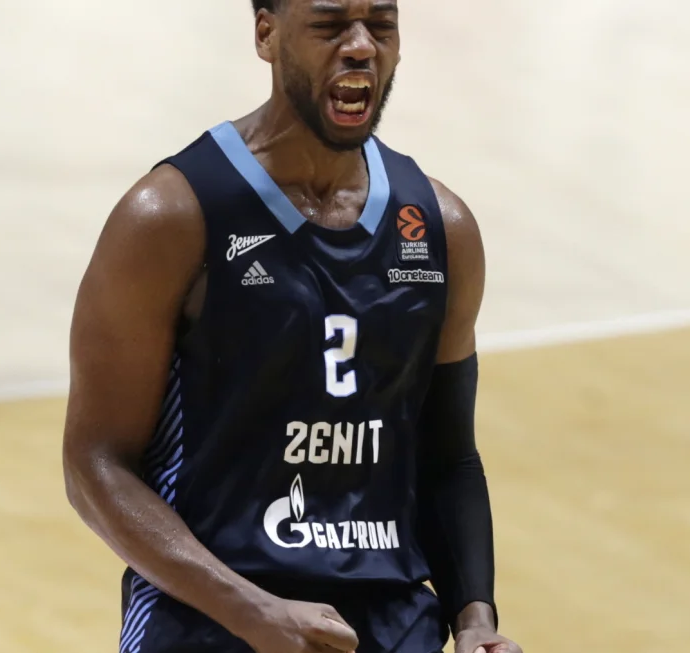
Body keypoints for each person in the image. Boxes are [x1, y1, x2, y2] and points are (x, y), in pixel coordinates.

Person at [61, 1, 523, 652]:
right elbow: (94, 465)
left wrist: (475, 620)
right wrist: (252, 611)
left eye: (381, 25)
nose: (360, 46)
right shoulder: (170, 216)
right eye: (330, 25)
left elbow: (450, 458)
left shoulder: (441, 227)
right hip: (213, 616)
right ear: (266, 34)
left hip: (392, 621)